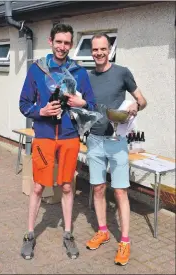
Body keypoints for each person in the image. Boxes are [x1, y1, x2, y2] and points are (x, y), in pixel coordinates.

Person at [19, 23, 96, 260]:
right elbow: (23, 104)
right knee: (38, 186)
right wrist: (40, 111)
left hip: (69, 138)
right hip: (43, 137)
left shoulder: (80, 73)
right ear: (51, 41)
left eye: (66, 43)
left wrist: (81, 104)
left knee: (66, 186)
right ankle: (30, 234)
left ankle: (68, 234)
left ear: (71, 45)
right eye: (58, 41)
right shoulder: (37, 70)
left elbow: (91, 106)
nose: (62, 47)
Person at [85, 33, 147, 266]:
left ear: (110, 49)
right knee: (98, 188)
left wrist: (135, 105)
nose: (99, 53)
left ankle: (125, 240)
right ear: (91, 51)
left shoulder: (122, 72)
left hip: (116, 142)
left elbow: (142, 99)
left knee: (120, 191)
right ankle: (103, 230)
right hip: (94, 140)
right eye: (95, 50)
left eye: (103, 49)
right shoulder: (87, 76)